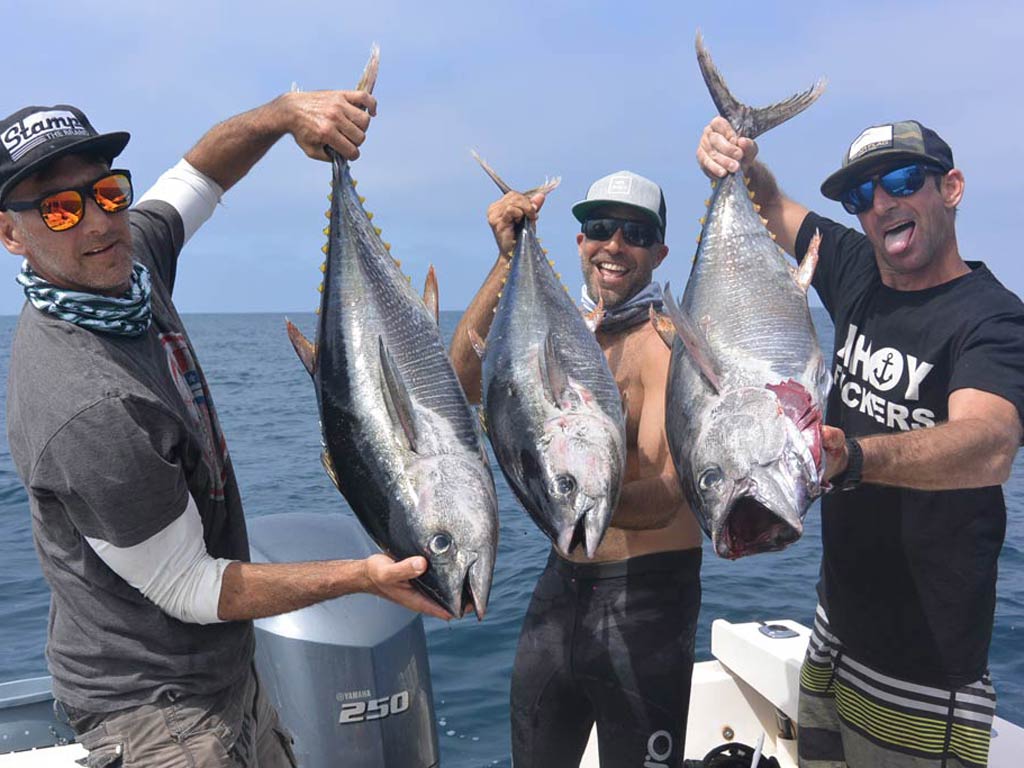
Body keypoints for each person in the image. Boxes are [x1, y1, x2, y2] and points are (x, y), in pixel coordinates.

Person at [0, 96, 450, 768]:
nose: (96, 221)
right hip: (154, 711)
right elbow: (192, 588)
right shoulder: (83, 403)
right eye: (59, 209)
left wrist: (284, 114)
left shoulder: (128, 266)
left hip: (226, 673)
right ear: (11, 233)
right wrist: (361, 576)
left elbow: (198, 176)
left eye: (106, 192)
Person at [697, 117, 1024, 767]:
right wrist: (739, 156)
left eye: (901, 181)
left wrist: (855, 459)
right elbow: (771, 203)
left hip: (923, 659)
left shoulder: (991, 318)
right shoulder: (855, 270)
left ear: (951, 188)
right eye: (861, 195)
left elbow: (989, 445)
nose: (880, 204)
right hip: (833, 626)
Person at [450, 171, 703, 767]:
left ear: (659, 252)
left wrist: (567, 489)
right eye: (598, 228)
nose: (613, 244)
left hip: (649, 600)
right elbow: (463, 379)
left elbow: (667, 493)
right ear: (580, 241)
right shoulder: (563, 332)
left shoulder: (668, 347)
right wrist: (508, 261)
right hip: (558, 592)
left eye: (635, 233)